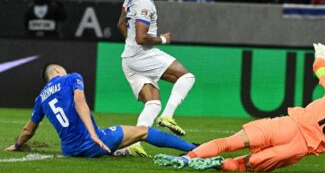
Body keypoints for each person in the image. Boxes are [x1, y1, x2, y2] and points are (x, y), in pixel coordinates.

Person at [154, 43, 325, 172]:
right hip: (299, 147)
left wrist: (321, 55)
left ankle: (186, 159)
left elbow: (319, 69)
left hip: (287, 125)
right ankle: (216, 166)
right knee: (245, 164)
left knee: (230, 140)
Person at [4, 64, 197, 157]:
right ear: (56, 71)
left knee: (114, 137)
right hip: (92, 142)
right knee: (144, 131)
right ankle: (194, 148)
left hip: (70, 150)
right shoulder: (71, 78)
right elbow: (80, 103)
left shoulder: (41, 98)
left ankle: (116, 151)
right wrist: (93, 135)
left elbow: (28, 130)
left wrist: (17, 145)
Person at [117, 0, 196, 156]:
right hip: (142, 54)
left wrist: (131, 47)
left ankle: (133, 143)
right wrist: (163, 39)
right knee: (186, 77)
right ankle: (167, 117)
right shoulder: (144, 3)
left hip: (129, 58)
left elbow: (120, 24)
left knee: (152, 103)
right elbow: (142, 37)